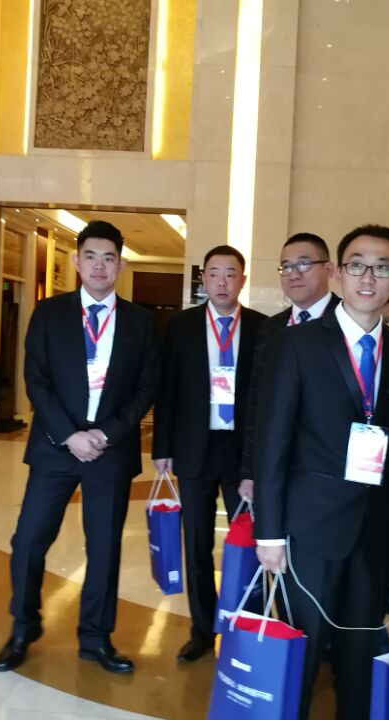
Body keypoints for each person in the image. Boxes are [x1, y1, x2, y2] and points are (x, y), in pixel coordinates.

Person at [255, 224, 389, 719]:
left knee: (361, 649)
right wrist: (269, 533)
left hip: (374, 529)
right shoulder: (296, 344)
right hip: (309, 527)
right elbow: (273, 442)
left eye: (382, 268)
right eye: (357, 265)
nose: (368, 277)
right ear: (338, 273)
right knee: (302, 651)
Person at [0, 221, 158, 675]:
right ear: (77, 261)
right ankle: (23, 627)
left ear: (120, 264)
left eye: (109, 258)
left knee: (103, 548)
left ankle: (95, 638)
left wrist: (107, 434)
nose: (99, 266)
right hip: (55, 447)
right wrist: (69, 435)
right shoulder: (49, 314)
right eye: (91, 256)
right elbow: (36, 380)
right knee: (28, 540)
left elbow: (147, 387)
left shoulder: (141, 322)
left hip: (110, 451)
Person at [152, 245, 266, 662]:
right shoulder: (180, 326)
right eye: (214, 273)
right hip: (193, 448)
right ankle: (202, 628)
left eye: (230, 273)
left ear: (243, 280)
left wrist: (259, 458)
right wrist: (162, 447)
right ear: (203, 280)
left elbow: (266, 398)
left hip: (242, 454)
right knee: (196, 544)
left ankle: (247, 626)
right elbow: (167, 390)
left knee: (249, 544)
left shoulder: (262, 328)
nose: (222, 282)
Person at [238, 232, 340, 502]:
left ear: (329, 269)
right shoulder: (271, 328)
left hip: (330, 470)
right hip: (275, 464)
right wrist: (249, 470)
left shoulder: (348, 323)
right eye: (286, 266)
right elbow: (256, 400)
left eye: (304, 264)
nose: (294, 274)